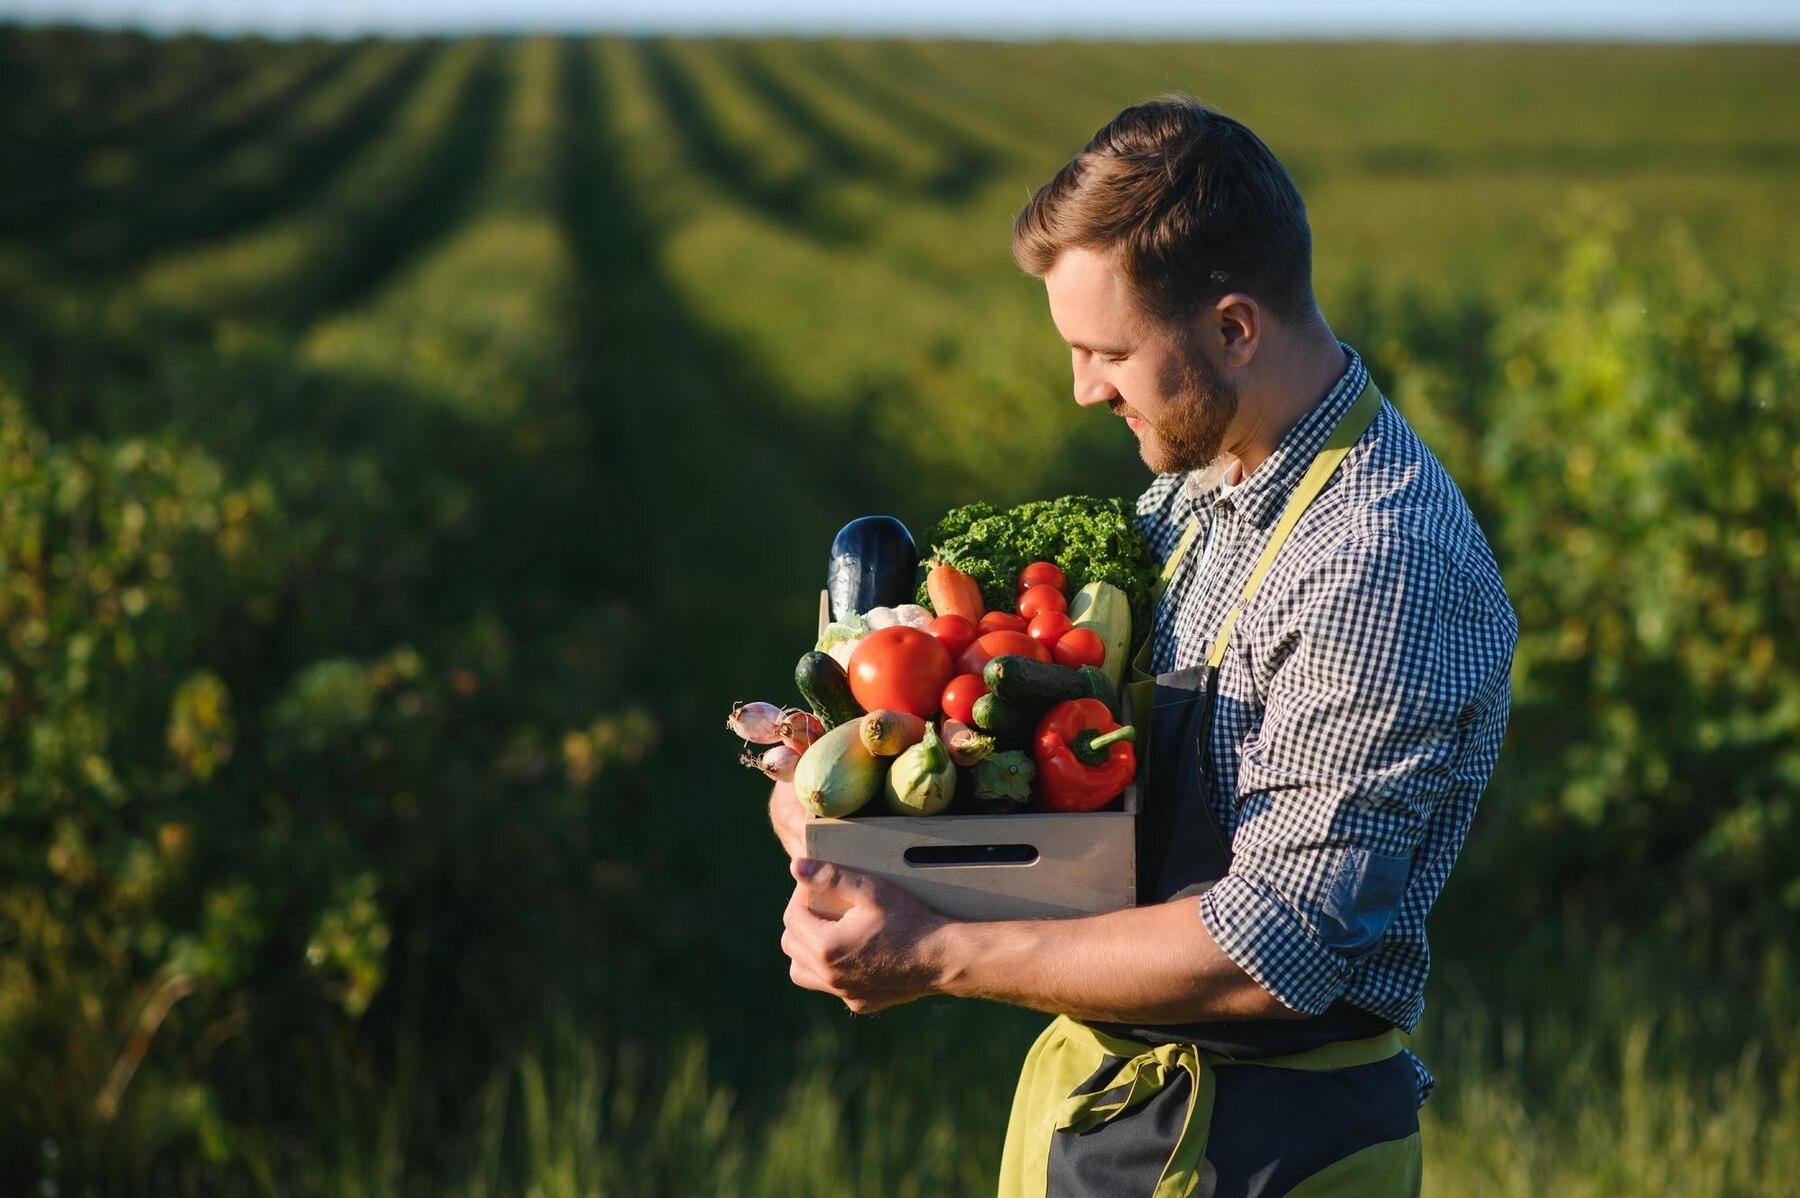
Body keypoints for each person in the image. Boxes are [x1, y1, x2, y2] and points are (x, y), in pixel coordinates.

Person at [768, 95, 1517, 1197]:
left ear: (1233, 328)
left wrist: (934, 951)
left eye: (1105, 350)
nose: (1082, 388)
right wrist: (856, 809)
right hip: (1118, 1110)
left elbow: (1275, 947)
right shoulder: (1207, 485)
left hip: (1265, 1145)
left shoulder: (1375, 558)